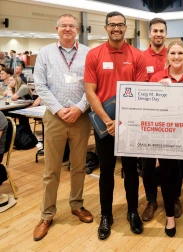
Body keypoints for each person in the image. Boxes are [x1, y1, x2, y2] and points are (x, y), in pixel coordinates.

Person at [84, 11, 148, 240]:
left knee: (131, 171)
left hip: (129, 125)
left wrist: (122, 122)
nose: (116, 28)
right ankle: (106, 215)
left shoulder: (138, 56)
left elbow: (139, 93)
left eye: (120, 25)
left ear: (126, 28)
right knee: (106, 171)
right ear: (106, 28)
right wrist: (108, 121)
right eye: (112, 25)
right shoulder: (94, 54)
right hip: (104, 124)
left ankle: (132, 212)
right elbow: (90, 91)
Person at [33, 13, 93, 241]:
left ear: (77, 30)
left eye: (72, 26)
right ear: (56, 28)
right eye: (64, 26)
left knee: (78, 166)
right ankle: (47, 214)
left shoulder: (88, 53)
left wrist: (79, 108)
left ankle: (77, 204)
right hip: (55, 118)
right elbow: (40, 85)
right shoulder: (46, 53)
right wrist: (59, 109)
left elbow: (92, 85)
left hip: (80, 117)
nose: (68, 29)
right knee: (51, 170)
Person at [150, 40, 183, 237]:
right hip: (166, 137)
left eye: (180, 53)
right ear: (167, 56)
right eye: (172, 53)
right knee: (167, 177)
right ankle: (170, 217)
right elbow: (150, 110)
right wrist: (157, 90)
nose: (176, 56)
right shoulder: (157, 78)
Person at [142, 17, 183, 222]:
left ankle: (174, 197)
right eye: (155, 31)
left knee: (175, 163)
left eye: (161, 31)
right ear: (149, 33)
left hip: (174, 122)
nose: (158, 34)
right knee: (147, 163)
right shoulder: (141, 57)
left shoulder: (175, 54)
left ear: (166, 33)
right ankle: (151, 199)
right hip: (150, 121)